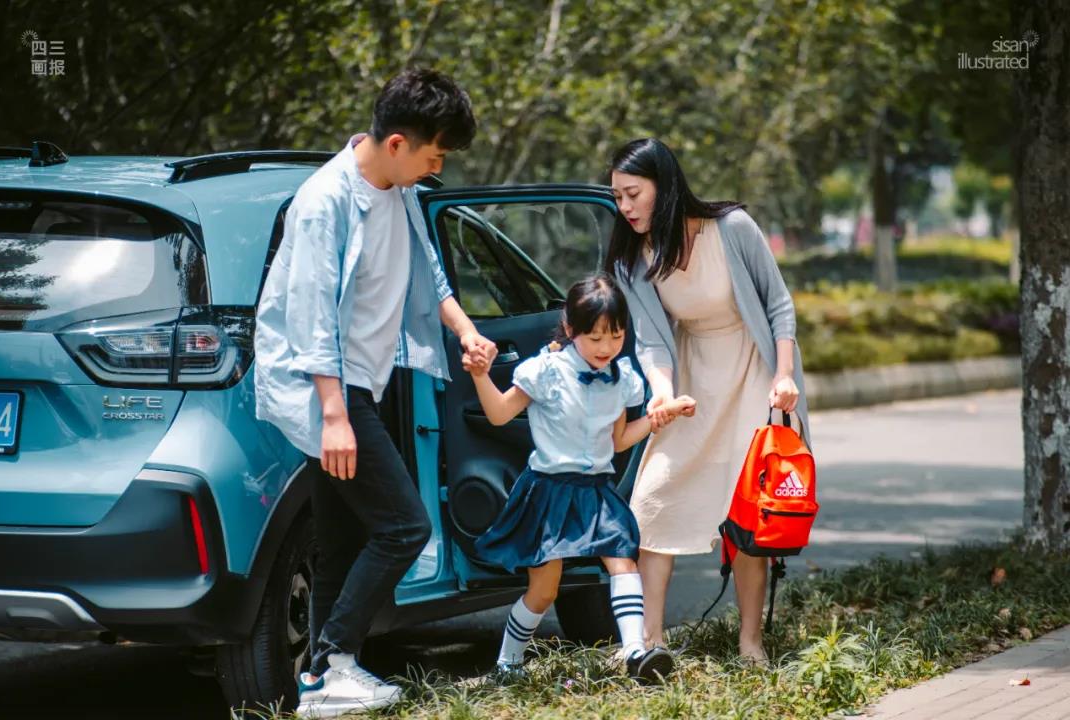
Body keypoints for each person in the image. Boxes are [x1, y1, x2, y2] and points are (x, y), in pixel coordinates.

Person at [253, 68, 496, 717]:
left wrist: (466, 331)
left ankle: (323, 684)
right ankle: (332, 664)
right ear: (396, 143)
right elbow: (310, 314)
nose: (436, 167)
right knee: (404, 526)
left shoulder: (400, 191)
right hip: (331, 388)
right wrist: (333, 415)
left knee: (342, 541)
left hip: (367, 378)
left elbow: (428, 272)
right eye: (434, 155)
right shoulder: (324, 201)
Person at [606, 137, 811, 664]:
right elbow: (652, 341)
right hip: (691, 378)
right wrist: (662, 393)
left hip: (752, 372)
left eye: (633, 194)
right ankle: (649, 642)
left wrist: (784, 376)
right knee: (653, 499)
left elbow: (779, 305)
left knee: (748, 514)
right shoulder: (634, 256)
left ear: (664, 185)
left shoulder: (732, 228)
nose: (625, 207)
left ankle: (750, 643)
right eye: (618, 197)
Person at [464, 273, 696, 683]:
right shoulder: (546, 371)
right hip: (549, 491)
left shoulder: (622, 378)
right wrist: (481, 375)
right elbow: (499, 415)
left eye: (616, 336)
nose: (606, 348)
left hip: (595, 490)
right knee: (544, 592)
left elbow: (619, 440)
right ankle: (507, 664)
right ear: (571, 329)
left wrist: (662, 416)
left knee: (623, 561)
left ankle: (635, 652)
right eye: (595, 337)